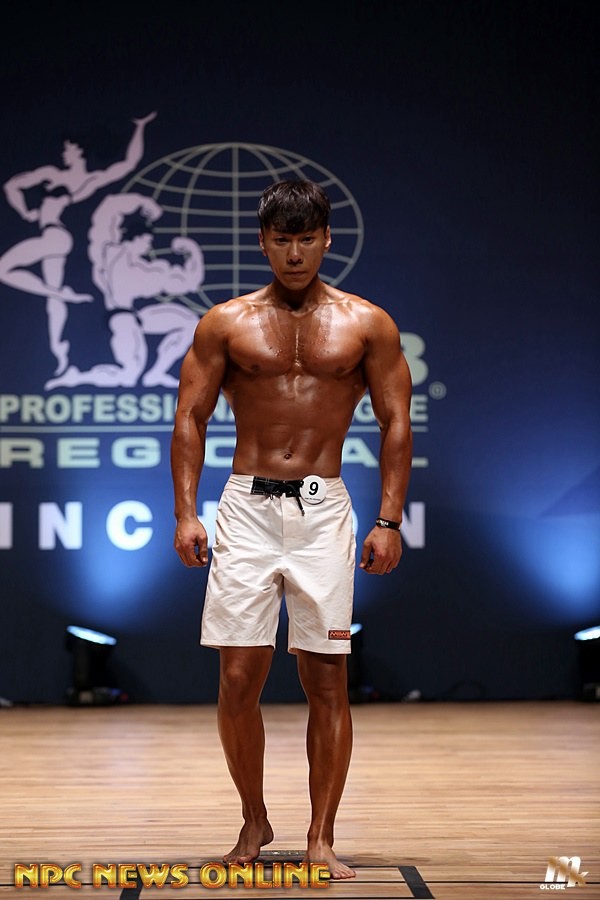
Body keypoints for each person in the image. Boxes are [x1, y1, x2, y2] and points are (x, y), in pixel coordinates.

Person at [171, 180, 412, 879]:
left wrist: (389, 519)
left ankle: (321, 836)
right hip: (246, 508)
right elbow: (190, 417)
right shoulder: (226, 323)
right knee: (237, 677)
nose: (296, 253)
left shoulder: (367, 324)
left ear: (327, 239)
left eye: (307, 239)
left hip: (322, 510)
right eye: (283, 240)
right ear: (263, 242)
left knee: (326, 677)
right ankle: (254, 817)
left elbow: (396, 422)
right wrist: (186, 512)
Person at [0, 112, 156, 376]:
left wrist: (139, 128)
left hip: (55, 236)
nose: (64, 153)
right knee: (53, 301)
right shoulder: (57, 175)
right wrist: (25, 212)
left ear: (80, 151)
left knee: (4, 269)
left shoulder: (81, 180)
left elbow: (128, 164)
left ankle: (62, 296)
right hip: (56, 237)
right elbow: (12, 186)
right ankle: (59, 354)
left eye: (68, 149)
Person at [45, 193, 204, 389]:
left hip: (138, 316)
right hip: (122, 318)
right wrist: (142, 202)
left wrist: (192, 252)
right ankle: (76, 377)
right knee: (129, 374)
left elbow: (187, 282)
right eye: (146, 241)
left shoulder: (144, 269)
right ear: (134, 238)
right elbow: (107, 213)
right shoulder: (110, 254)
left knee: (190, 323)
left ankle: (157, 372)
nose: (148, 246)